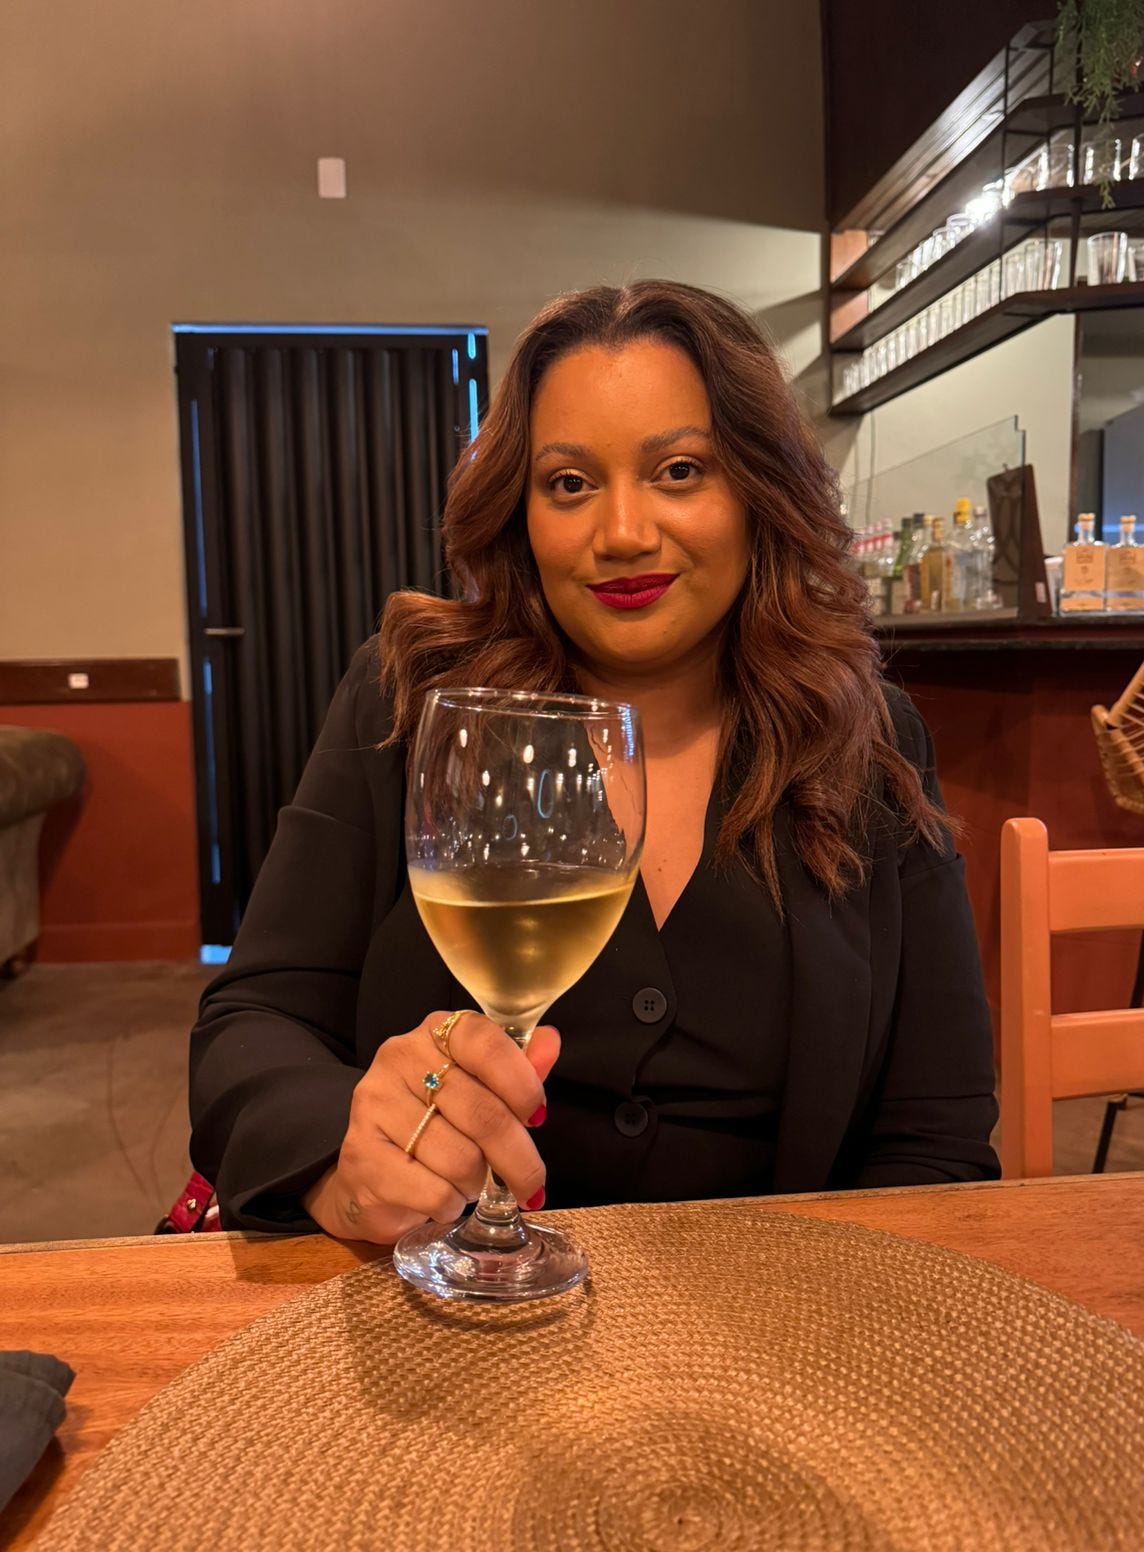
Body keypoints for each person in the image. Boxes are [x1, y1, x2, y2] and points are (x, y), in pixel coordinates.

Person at [189, 280, 1000, 1244]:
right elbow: (250, 1025)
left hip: (775, 1307)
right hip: (446, 1293)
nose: (622, 534)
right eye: (569, 483)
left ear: (759, 491)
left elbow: (936, 1136)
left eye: (680, 471)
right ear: (521, 510)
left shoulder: (864, 737)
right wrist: (338, 1155)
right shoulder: (409, 702)